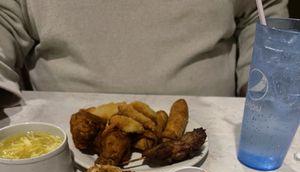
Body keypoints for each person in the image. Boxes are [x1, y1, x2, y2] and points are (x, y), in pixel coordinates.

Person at [0, 0, 288, 106]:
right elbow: (6, 18)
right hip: (58, 146)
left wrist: (266, 83)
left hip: (221, 138)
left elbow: (261, 12)